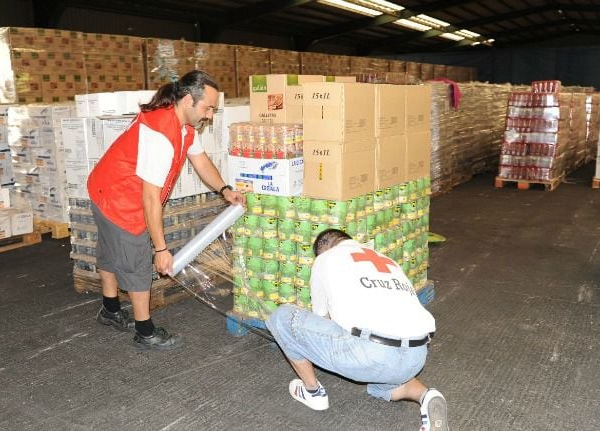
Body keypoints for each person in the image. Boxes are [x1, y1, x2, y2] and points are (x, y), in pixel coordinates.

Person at [87, 70, 245, 351]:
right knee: (136, 263)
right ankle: (145, 332)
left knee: (110, 252)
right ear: (187, 100)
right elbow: (150, 198)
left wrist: (225, 190)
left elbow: (201, 161)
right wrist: (160, 249)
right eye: (208, 108)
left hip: (103, 185)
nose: (210, 115)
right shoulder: (161, 134)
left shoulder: (184, 126)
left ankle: (110, 311)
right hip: (120, 198)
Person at [266, 229, 448, 431]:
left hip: (370, 352)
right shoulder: (385, 260)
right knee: (381, 387)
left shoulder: (326, 258)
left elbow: (320, 316)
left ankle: (313, 393)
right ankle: (427, 396)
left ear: (323, 248)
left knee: (282, 318)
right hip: (416, 354)